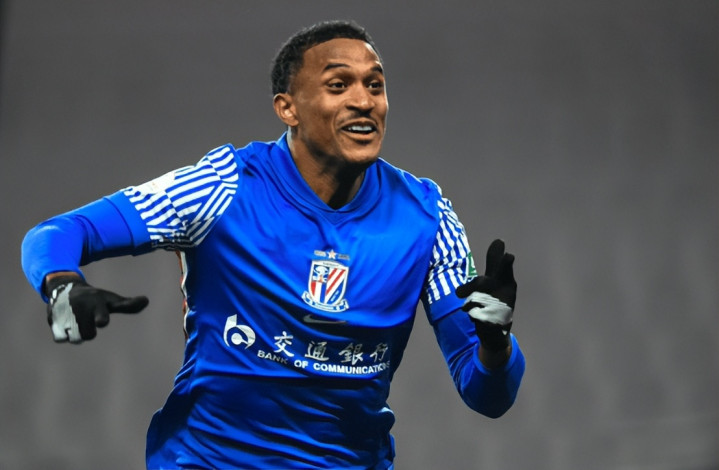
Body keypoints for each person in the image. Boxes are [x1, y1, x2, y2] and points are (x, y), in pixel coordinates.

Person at [21, 20, 525, 470]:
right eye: (338, 85)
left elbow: (487, 395)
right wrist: (62, 283)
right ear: (288, 108)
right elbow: (59, 233)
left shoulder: (426, 217)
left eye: (375, 85)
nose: (364, 100)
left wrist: (495, 343)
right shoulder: (221, 187)